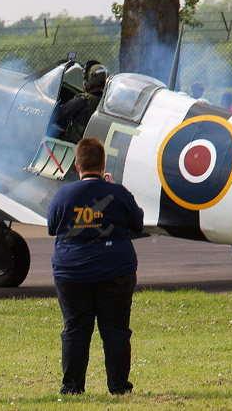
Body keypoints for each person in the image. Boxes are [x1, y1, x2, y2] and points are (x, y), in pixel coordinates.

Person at [47, 138, 144, 395]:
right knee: (115, 331)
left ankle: (72, 388)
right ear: (103, 164)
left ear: (76, 165)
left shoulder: (64, 194)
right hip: (116, 269)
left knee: (75, 331)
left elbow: (51, 227)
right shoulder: (118, 193)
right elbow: (138, 222)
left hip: (72, 271)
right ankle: (119, 387)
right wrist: (113, 191)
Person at [56, 60, 108, 143]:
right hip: (92, 147)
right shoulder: (105, 103)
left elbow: (58, 117)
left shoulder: (82, 101)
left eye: (85, 78)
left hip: (75, 146)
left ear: (90, 79)